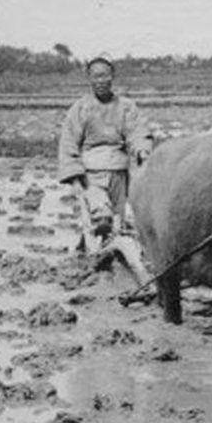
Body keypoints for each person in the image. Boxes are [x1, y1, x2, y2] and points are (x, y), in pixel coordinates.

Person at [57, 58, 153, 271]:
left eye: (105, 76)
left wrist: (141, 149)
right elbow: (68, 141)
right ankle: (94, 260)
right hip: (91, 172)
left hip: (119, 171)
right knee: (100, 217)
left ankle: (115, 259)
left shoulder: (126, 106)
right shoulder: (81, 108)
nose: (101, 81)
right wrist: (74, 175)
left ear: (112, 77)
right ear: (89, 79)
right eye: (96, 76)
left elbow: (137, 131)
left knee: (119, 220)